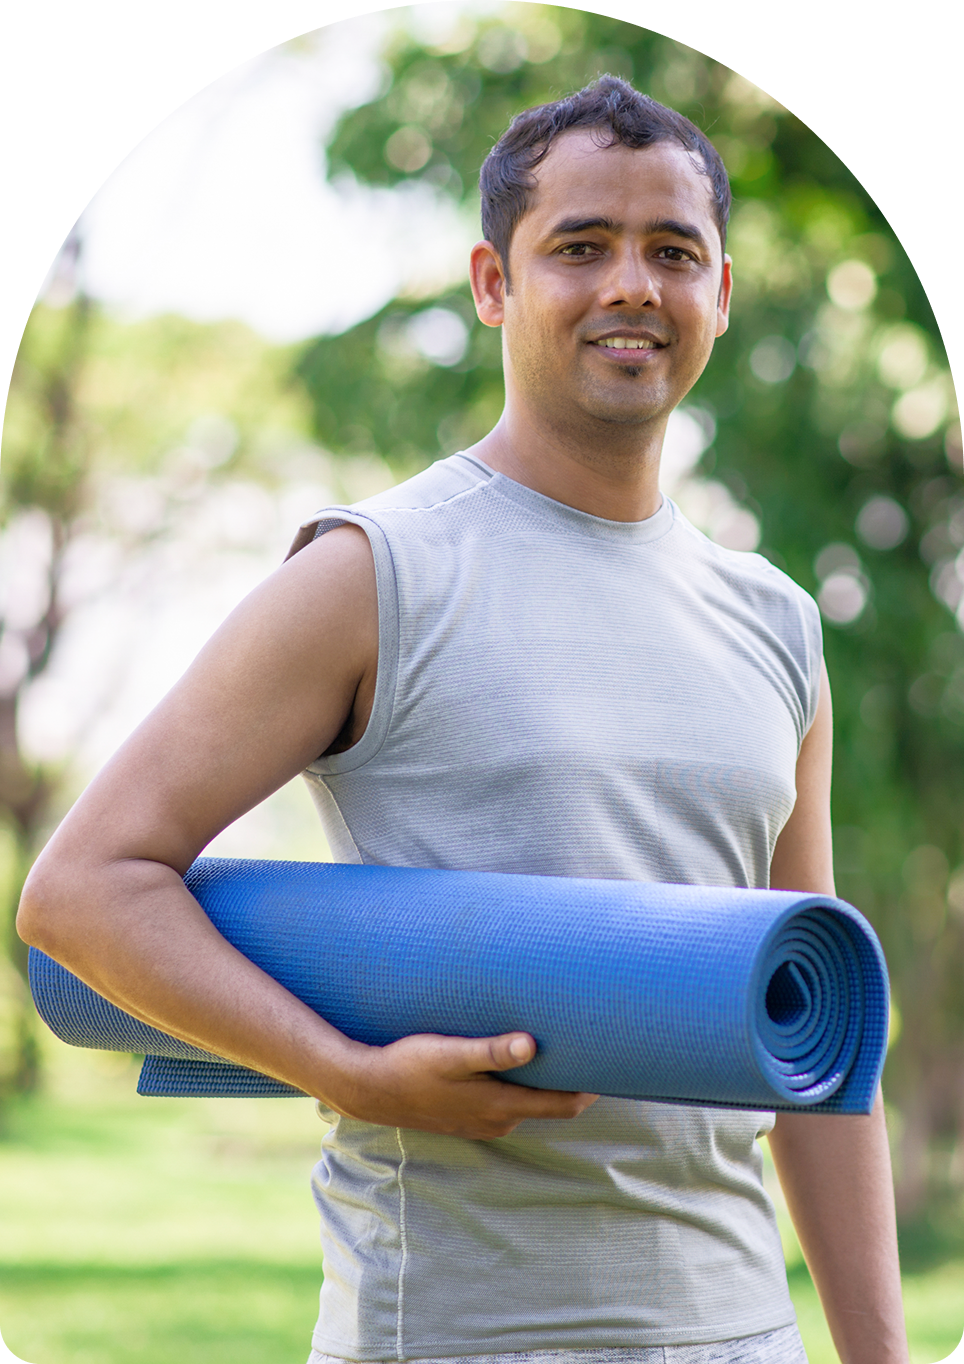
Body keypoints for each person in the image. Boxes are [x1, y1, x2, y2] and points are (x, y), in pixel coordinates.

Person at [18, 77, 908, 1364]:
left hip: (740, 1330)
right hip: (452, 1333)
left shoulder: (776, 620)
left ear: (720, 293)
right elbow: (82, 889)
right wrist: (341, 1067)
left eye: (672, 252)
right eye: (580, 246)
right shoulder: (375, 572)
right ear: (494, 283)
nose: (631, 285)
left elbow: (815, 1034)